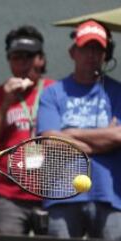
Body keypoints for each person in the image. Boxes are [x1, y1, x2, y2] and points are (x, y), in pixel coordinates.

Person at [36, 20, 121, 240]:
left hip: (110, 195)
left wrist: (69, 132)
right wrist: (102, 139)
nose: (91, 55)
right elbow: (49, 141)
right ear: (72, 52)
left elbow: (118, 135)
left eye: (98, 49)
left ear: (106, 54)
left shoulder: (118, 92)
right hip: (62, 195)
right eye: (85, 48)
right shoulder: (52, 93)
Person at [0, 25, 54, 235]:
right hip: (9, 196)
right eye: (16, 57)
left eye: (29, 57)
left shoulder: (54, 90)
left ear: (41, 59)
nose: (23, 63)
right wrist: (6, 104)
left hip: (50, 194)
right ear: (9, 60)